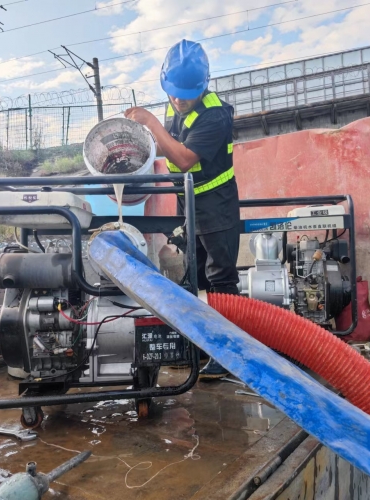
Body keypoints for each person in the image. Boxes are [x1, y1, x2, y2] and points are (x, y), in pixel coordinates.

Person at [124, 39, 240, 379]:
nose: (177, 100)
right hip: (192, 207)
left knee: (221, 279)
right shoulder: (177, 108)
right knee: (197, 276)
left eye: (185, 94)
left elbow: (186, 159)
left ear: (203, 88)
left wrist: (152, 124)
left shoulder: (215, 115)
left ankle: (228, 353)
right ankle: (202, 344)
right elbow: (166, 147)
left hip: (217, 207)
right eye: (173, 93)